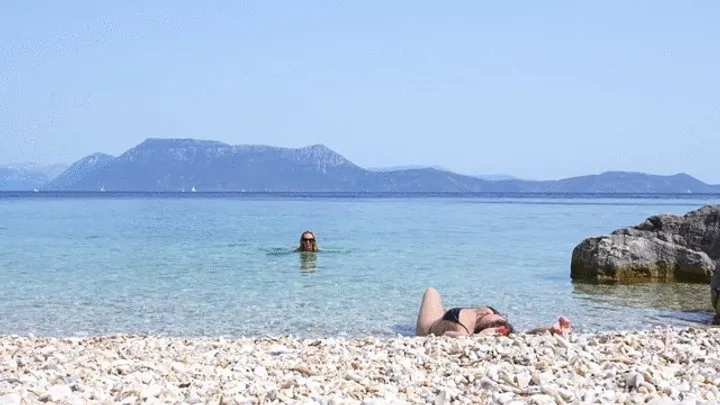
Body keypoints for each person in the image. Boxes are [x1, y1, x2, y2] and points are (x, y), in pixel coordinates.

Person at [415, 287, 571, 337]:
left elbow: (448, 336)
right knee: (443, 306)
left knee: (431, 291)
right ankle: (444, 310)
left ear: (484, 327)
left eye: (497, 321)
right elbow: (525, 333)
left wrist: (478, 337)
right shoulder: (489, 318)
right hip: (452, 316)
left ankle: (440, 312)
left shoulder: (462, 328)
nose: (499, 317)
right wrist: (551, 329)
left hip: (429, 325)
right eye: (502, 319)